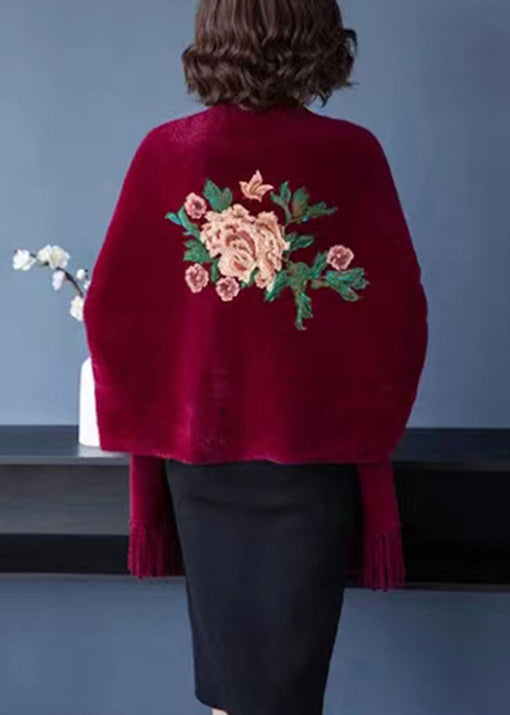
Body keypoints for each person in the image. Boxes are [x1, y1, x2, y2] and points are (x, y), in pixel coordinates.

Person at [83, 1, 429, 713]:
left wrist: (174, 402)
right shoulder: (352, 153)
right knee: (281, 689)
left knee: (238, 687)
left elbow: (113, 311)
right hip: (311, 461)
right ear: (318, 36)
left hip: (202, 465)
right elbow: (397, 317)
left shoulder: (167, 150)